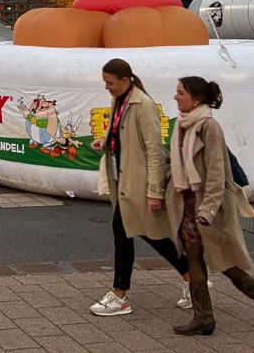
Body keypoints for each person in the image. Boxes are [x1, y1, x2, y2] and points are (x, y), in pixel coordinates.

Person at [166, 76, 254, 335]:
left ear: (195, 98)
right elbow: (179, 164)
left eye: (180, 93)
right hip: (187, 202)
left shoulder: (208, 127)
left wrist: (206, 210)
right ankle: (203, 317)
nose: (175, 97)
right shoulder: (183, 124)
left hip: (207, 204)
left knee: (223, 260)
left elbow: (217, 173)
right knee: (193, 256)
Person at [90, 58, 195, 317]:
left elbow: (154, 150)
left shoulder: (142, 104)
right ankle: (191, 276)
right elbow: (122, 132)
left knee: (137, 233)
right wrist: (105, 141)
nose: (107, 87)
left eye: (110, 83)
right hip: (125, 180)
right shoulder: (121, 99)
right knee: (141, 234)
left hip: (137, 182)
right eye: (105, 83)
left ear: (126, 80)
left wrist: (154, 191)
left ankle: (120, 295)